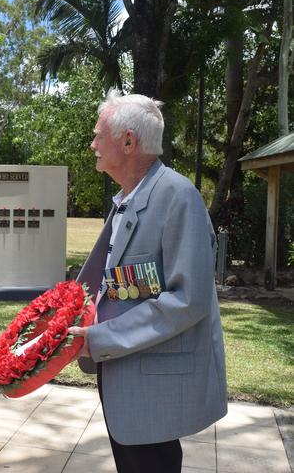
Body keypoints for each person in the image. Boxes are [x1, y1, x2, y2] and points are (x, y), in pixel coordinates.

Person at [69, 89, 227, 473]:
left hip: (151, 389)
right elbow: (121, 283)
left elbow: (187, 299)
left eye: (98, 134)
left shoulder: (177, 197)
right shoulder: (130, 198)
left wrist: (99, 339)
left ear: (128, 141)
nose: (92, 144)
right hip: (123, 377)